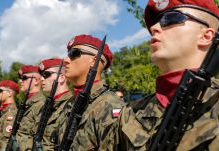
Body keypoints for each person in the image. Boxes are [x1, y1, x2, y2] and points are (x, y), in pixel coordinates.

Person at [118, 0, 219, 150]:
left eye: (170, 18)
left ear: (206, 36)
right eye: (156, 22)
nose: (153, 28)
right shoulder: (130, 113)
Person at [58, 34, 124, 150]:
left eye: (73, 53)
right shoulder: (69, 103)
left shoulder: (110, 106)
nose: (65, 60)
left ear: (94, 61)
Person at [38, 58, 72, 150]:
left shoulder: (71, 106)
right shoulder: (45, 106)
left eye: (46, 75)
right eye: (41, 75)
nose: (41, 78)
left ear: (61, 77)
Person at [16, 65, 46, 151]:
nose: (20, 81)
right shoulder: (26, 103)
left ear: (36, 80)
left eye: (24, 78)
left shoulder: (41, 104)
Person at [0, 80, 19, 151]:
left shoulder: (10, 113)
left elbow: (6, 142)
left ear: (10, 93)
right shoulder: (4, 112)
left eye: (0, 91)